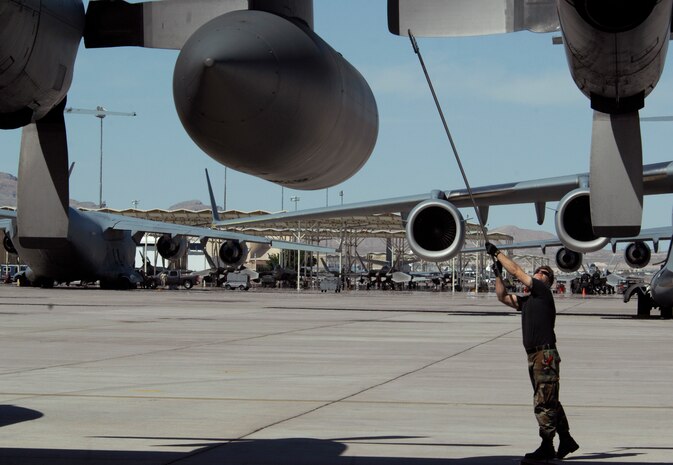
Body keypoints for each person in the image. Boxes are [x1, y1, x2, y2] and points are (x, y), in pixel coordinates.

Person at [485, 242, 579, 460]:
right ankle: (565, 440)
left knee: (543, 401)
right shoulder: (528, 301)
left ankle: (547, 446)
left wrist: (498, 254)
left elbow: (517, 271)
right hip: (535, 355)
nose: (539, 273)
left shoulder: (543, 292)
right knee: (550, 398)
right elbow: (502, 297)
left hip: (544, 355)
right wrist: (498, 274)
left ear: (547, 281)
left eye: (544, 273)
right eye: (539, 271)